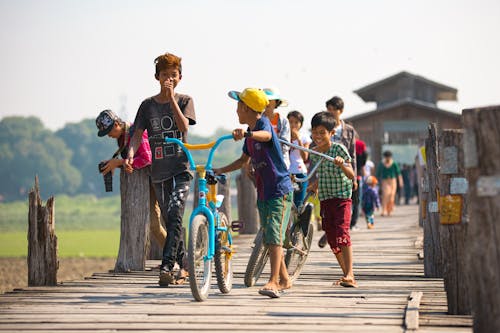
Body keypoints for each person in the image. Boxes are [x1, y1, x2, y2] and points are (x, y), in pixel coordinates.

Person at [213, 88, 294, 298]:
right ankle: (285, 279)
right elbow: (243, 162)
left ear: (246, 108)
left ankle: (273, 281)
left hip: (279, 190)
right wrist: (220, 169)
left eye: (238, 105)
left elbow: (267, 136)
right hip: (264, 192)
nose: (236, 110)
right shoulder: (250, 134)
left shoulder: (262, 124)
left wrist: (248, 133)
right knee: (269, 235)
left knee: (275, 234)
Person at [126, 52, 196, 286]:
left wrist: (171, 99)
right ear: (157, 77)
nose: (169, 79)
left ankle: (166, 267)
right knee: (170, 219)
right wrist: (131, 153)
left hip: (181, 168)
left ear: (180, 77)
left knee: (176, 213)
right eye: (165, 75)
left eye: (173, 75)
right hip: (159, 172)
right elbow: (137, 134)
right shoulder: (147, 106)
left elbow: (183, 126)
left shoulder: (185, 100)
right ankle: (185, 266)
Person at [96, 110, 167, 249]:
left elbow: (147, 159)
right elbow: (133, 161)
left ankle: (178, 259)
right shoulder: (122, 137)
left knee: (170, 221)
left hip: (162, 178)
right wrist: (117, 165)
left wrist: (119, 163)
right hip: (149, 182)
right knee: (154, 224)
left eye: (109, 131)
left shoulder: (137, 132)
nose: (109, 136)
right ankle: (174, 259)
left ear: (117, 124)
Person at [307, 111, 357, 287]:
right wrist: (313, 185)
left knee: (342, 233)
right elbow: (320, 174)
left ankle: (350, 273)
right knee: (331, 236)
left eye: (322, 132)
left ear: (331, 133)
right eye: (315, 132)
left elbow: (351, 174)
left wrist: (342, 164)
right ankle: (346, 274)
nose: (318, 136)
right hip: (325, 198)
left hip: (342, 198)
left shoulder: (338, 149)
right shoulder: (314, 153)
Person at [318, 96, 358, 248]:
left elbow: (352, 154)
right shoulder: (323, 127)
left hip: (344, 172)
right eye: (328, 109)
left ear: (340, 111)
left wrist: (353, 177)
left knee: (343, 208)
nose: (330, 112)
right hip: (327, 173)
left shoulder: (348, 130)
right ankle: (331, 233)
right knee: (329, 213)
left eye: (333, 109)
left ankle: (341, 233)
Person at [287, 110, 312, 208]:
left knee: (299, 203)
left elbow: (305, 157)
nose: (293, 125)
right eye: (290, 122)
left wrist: (298, 140)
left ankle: (299, 222)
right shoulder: (282, 136)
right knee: (286, 203)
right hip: (286, 172)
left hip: (299, 172)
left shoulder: (304, 138)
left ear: (301, 124)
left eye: (296, 122)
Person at [263, 88, 291, 169]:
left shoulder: (283, 121)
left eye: (270, 100)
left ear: (276, 102)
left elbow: (285, 144)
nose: (267, 102)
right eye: (265, 99)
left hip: (280, 162)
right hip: (262, 161)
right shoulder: (258, 120)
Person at [376, 151, 403, 216]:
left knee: (392, 195)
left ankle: (389, 210)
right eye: (386, 157)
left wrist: (400, 181)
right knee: (385, 195)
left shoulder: (394, 163)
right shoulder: (381, 164)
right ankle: (384, 210)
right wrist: (375, 182)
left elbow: (398, 173)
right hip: (385, 181)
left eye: (389, 157)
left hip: (393, 181)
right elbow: (377, 174)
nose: (388, 158)